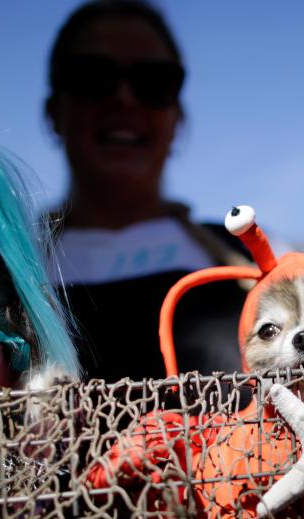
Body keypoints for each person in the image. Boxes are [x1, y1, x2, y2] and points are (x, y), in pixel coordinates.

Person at [41, 0, 249, 382]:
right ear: (54, 112)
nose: (124, 98)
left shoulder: (251, 254)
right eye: (93, 77)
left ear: (178, 119)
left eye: (155, 81)